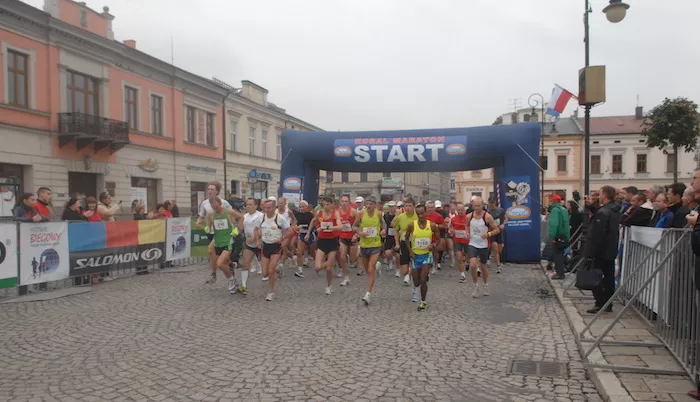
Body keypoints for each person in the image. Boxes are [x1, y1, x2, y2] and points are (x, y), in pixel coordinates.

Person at [583, 185, 621, 314]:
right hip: (610, 249)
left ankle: (600, 302)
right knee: (609, 277)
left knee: (597, 277)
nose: (599, 196)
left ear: (604, 195)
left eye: (600, 194)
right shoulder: (614, 209)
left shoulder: (604, 212)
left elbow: (597, 234)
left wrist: (590, 252)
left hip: (601, 250)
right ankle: (608, 303)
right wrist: (592, 207)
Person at [196, 182, 233, 284]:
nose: (210, 191)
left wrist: (231, 225)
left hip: (222, 233)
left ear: (217, 191)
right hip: (211, 231)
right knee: (217, 253)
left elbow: (231, 213)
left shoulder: (224, 202)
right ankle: (230, 265)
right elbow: (201, 216)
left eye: (212, 189)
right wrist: (199, 221)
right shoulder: (204, 203)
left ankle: (214, 273)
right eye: (208, 189)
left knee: (211, 249)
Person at [306, 196, 343, 295]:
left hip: (332, 241)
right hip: (322, 241)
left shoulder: (335, 213)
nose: (325, 206)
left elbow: (340, 226)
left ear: (332, 205)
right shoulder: (319, 213)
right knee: (317, 267)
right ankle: (331, 263)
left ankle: (329, 286)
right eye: (324, 204)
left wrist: (330, 227)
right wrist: (310, 232)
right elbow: (313, 221)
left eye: (328, 204)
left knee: (328, 268)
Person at [405, 204, 438, 310]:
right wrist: (410, 251)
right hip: (415, 256)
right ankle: (424, 277)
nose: (420, 216)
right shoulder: (412, 225)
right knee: (416, 282)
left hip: (426, 256)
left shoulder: (432, 225)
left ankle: (423, 302)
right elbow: (406, 238)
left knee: (423, 280)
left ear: (426, 213)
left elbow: (439, 239)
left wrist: (433, 245)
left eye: (422, 213)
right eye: (418, 214)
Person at [466, 197, 501, 297]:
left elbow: (497, 230)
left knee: (483, 266)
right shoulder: (469, 216)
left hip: (484, 245)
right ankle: (476, 286)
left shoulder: (487, 217)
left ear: (482, 205)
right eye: (475, 206)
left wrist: (488, 234)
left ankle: (485, 284)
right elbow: (466, 225)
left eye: (478, 206)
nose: (477, 208)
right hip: (472, 243)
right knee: (473, 265)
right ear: (472, 206)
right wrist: (467, 232)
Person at [354, 196, 385, 305]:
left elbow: (383, 225)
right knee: (368, 270)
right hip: (364, 245)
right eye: (367, 204)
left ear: (375, 205)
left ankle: (368, 294)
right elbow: (354, 226)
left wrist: (383, 230)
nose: (369, 206)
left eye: (371, 204)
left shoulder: (379, 214)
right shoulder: (361, 214)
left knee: (371, 269)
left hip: (375, 244)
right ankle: (377, 266)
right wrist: (359, 232)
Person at [257, 199, 290, 301]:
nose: (267, 210)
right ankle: (278, 269)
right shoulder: (261, 218)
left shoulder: (279, 218)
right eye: (265, 207)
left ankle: (270, 292)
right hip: (265, 246)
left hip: (275, 247)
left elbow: (289, 230)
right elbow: (256, 229)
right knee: (265, 273)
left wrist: (283, 239)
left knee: (270, 271)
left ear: (274, 208)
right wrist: (258, 240)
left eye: (269, 208)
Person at [205, 196, 240, 295]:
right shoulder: (211, 215)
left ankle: (231, 280)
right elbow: (209, 226)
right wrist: (207, 228)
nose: (215, 209)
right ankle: (231, 265)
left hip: (228, 241)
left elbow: (241, 217)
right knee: (224, 262)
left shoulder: (229, 212)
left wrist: (237, 229)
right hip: (218, 242)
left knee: (220, 263)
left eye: (217, 207)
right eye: (213, 207)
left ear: (220, 204)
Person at [391, 198, 418, 286]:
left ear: (414, 207)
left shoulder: (418, 217)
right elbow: (396, 230)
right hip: (403, 243)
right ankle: (407, 273)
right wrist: (397, 243)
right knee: (404, 270)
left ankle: (409, 275)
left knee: (415, 264)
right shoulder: (400, 217)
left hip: (415, 243)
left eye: (410, 206)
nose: (408, 208)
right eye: (406, 206)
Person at [239, 198, 263, 294]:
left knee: (266, 268)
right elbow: (241, 229)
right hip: (249, 244)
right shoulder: (244, 216)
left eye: (250, 204)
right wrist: (239, 223)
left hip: (261, 243)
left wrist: (254, 238)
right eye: (247, 205)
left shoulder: (260, 216)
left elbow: (263, 230)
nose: (248, 206)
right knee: (245, 263)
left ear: (256, 206)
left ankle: (270, 279)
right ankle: (243, 286)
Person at [547, 194, 570, 280]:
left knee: (557, 255)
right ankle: (563, 270)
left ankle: (560, 273)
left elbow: (554, 224)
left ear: (554, 201)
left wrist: (552, 237)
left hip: (558, 236)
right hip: (564, 236)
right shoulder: (564, 209)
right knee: (562, 254)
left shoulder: (555, 210)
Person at [337, 195, 358, 285]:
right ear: (340, 202)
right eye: (343, 201)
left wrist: (356, 235)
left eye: (346, 201)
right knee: (342, 257)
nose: (344, 203)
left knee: (353, 260)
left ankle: (358, 255)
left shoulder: (353, 211)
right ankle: (346, 277)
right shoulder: (338, 212)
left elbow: (360, 223)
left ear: (349, 203)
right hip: (343, 237)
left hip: (352, 237)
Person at [292, 201, 315, 278]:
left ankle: (318, 263)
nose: (301, 208)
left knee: (312, 252)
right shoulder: (297, 214)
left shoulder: (310, 215)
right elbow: (294, 223)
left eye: (303, 207)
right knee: (299, 252)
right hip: (301, 234)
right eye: (300, 207)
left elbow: (312, 225)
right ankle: (300, 270)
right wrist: (296, 227)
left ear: (307, 207)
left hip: (310, 234)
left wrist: (308, 232)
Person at [448, 202, 469, 283]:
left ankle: (467, 263)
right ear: (456, 210)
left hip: (467, 241)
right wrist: (451, 231)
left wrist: (468, 233)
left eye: (462, 210)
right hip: (457, 241)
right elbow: (450, 229)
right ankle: (462, 275)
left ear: (464, 210)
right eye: (458, 210)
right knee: (459, 258)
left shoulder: (468, 218)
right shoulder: (453, 219)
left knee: (468, 257)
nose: (460, 211)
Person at [487, 198, 507, 273]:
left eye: (492, 203)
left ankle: (493, 257)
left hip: (499, 231)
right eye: (490, 203)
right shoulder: (487, 212)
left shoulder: (500, 210)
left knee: (500, 249)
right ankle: (498, 266)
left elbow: (506, 218)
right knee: (495, 248)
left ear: (495, 203)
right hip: (492, 232)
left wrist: (503, 224)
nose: (491, 205)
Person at [424, 201, 445, 275]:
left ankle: (434, 265)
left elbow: (443, 226)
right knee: (426, 252)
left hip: (435, 237)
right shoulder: (423, 215)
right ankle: (426, 266)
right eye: (429, 207)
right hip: (425, 237)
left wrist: (435, 226)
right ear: (426, 208)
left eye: (432, 207)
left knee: (435, 252)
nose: (430, 209)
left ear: (434, 208)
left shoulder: (438, 216)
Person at [382, 201, 400, 276]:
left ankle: (398, 270)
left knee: (397, 254)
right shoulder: (386, 215)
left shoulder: (399, 215)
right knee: (387, 252)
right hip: (389, 235)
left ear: (395, 207)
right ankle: (390, 261)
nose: (391, 208)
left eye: (392, 206)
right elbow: (385, 225)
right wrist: (383, 230)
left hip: (397, 236)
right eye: (390, 207)